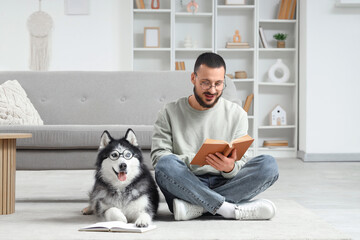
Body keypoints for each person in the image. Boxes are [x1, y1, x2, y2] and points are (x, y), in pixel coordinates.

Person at [151, 52, 279, 221]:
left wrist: (229, 168)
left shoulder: (237, 114)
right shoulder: (169, 112)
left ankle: (196, 207)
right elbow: (159, 157)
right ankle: (228, 209)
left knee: (268, 165)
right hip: (186, 181)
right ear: (193, 78)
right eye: (205, 83)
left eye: (218, 84)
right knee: (165, 166)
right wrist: (197, 161)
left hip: (224, 181)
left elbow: (241, 160)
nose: (212, 90)